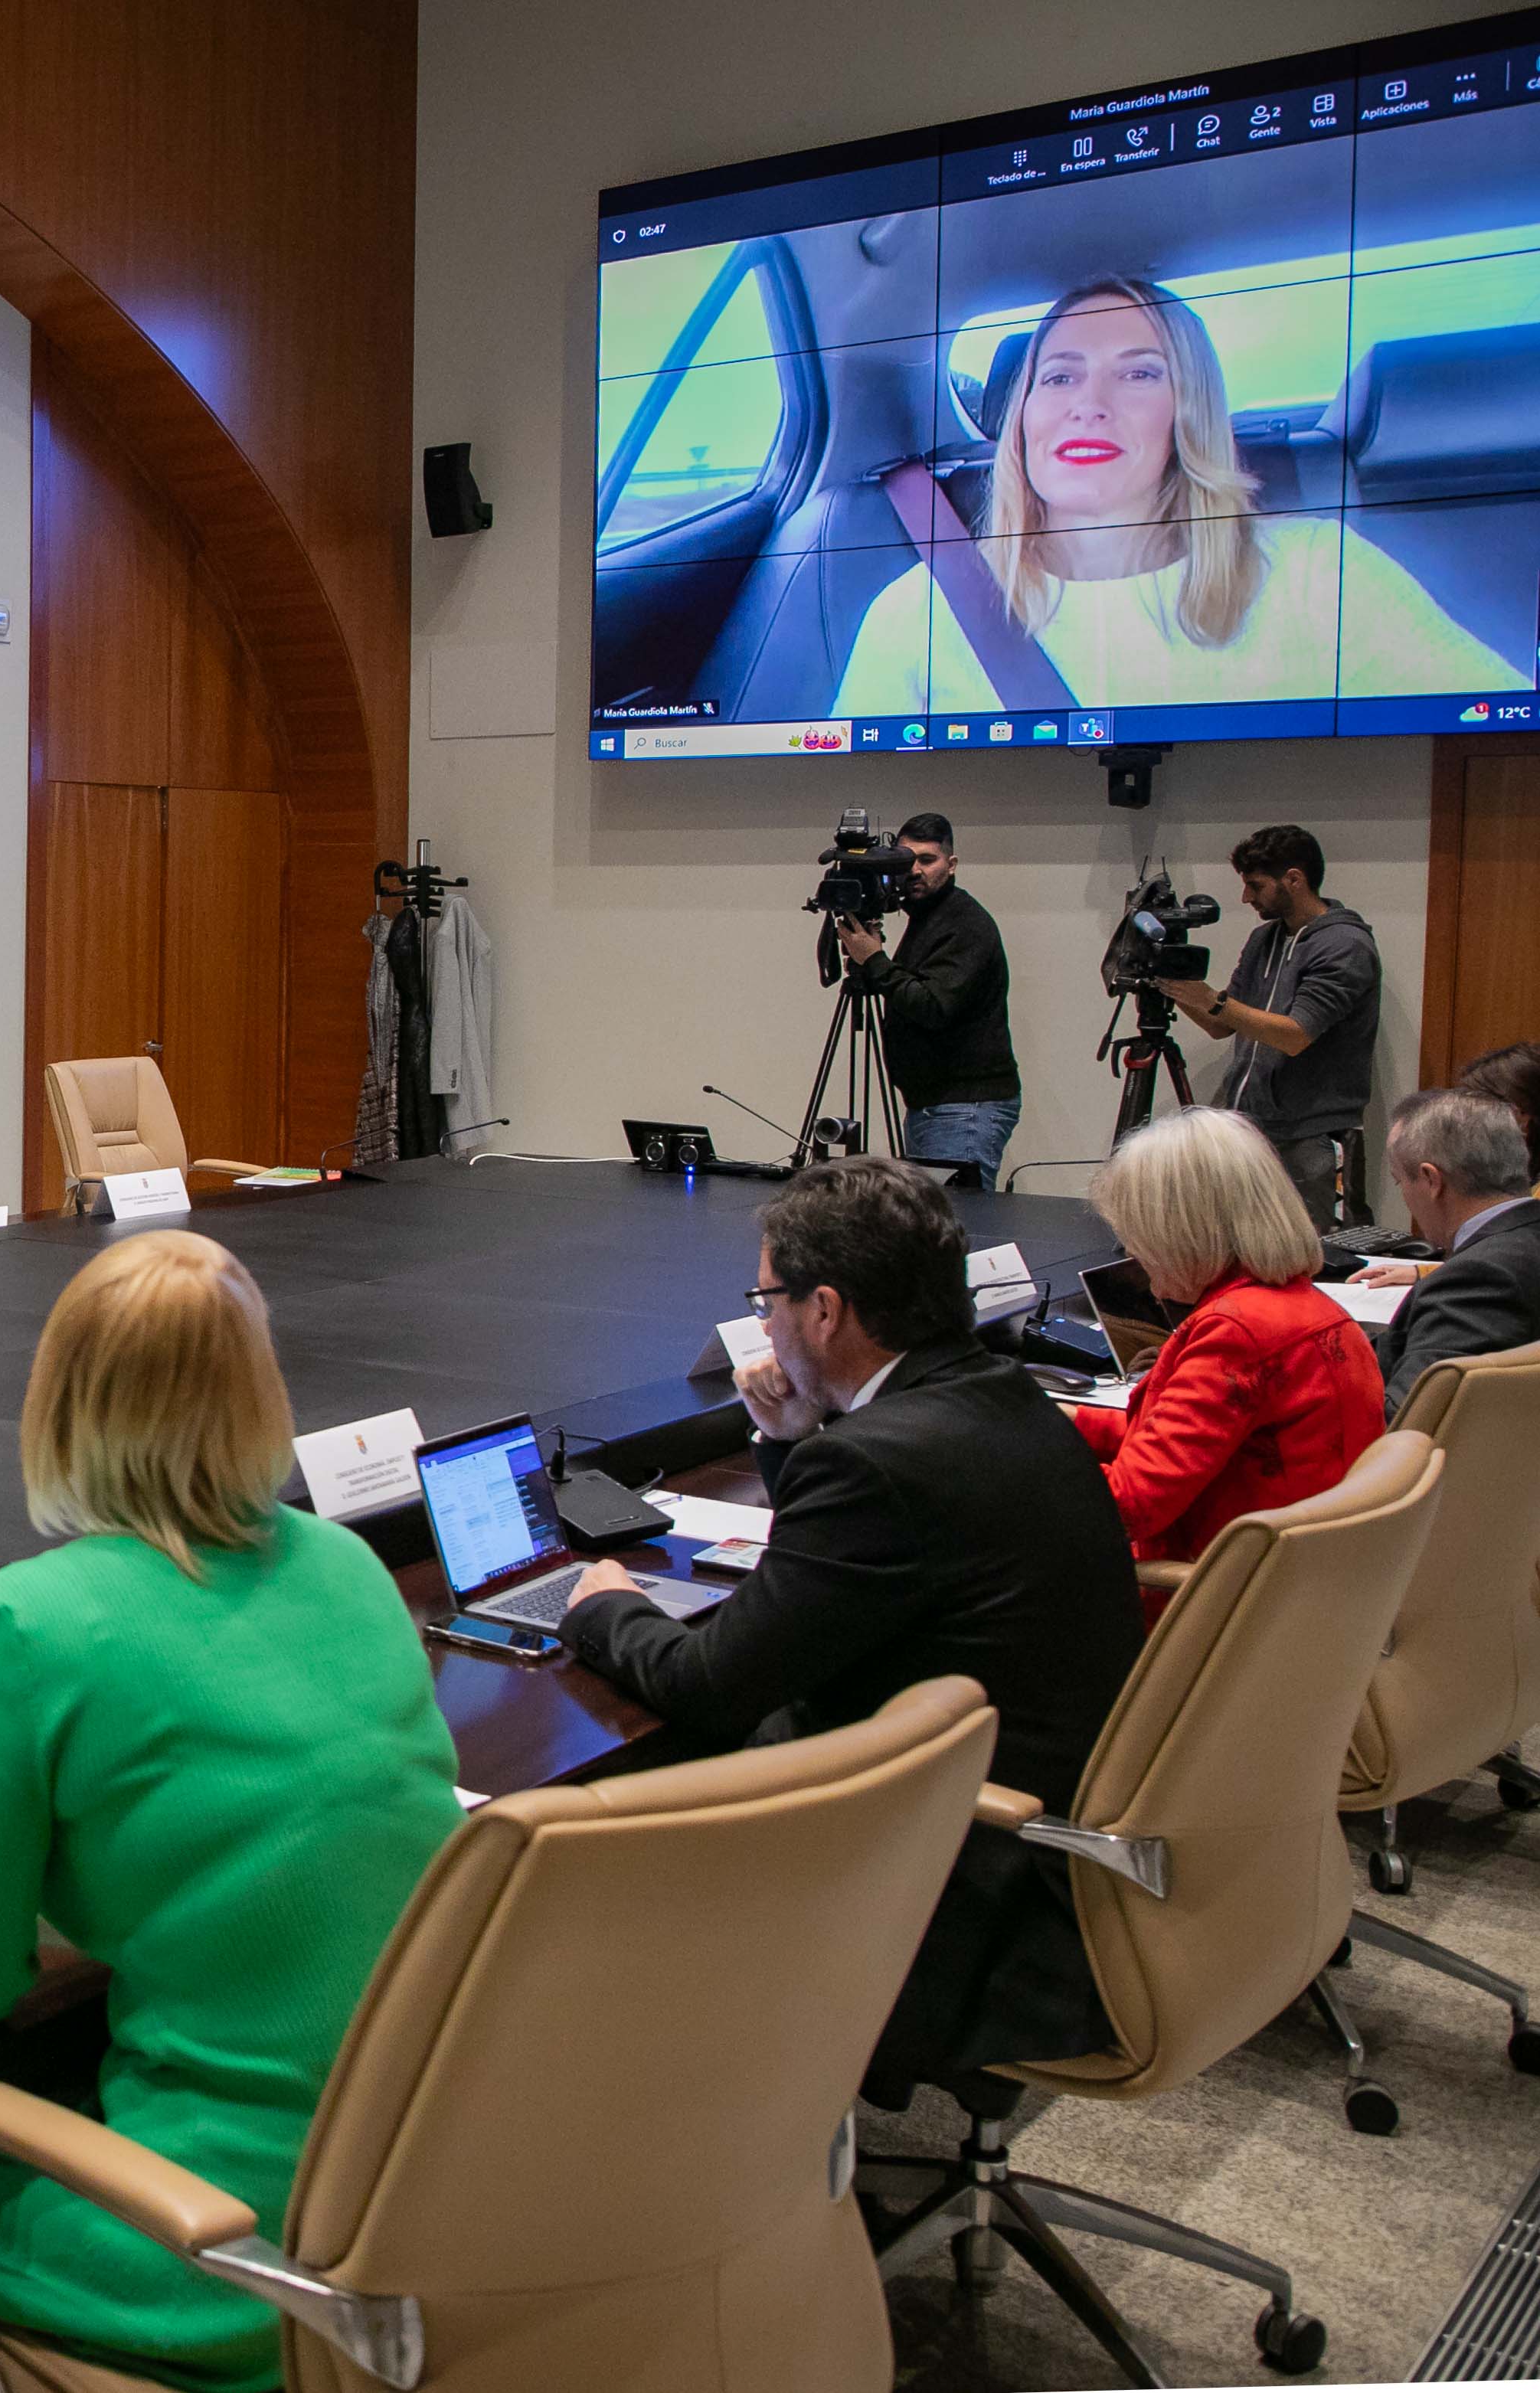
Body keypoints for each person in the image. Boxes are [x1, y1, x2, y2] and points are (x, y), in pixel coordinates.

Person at [0, 1232, 465, 2391]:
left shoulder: (18, 1625)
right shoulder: (350, 1568)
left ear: (58, 1398)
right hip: (430, 2214)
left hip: (230, 2257)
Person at [557, 1156, 1143, 2106]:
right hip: (1046, 1835)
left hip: (959, 1896)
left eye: (768, 1298)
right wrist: (791, 1438)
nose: (767, 1321)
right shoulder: (998, 1398)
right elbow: (870, 1574)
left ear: (823, 1310)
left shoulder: (878, 1466)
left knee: (590, 1853)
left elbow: (713, 1681)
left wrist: (602, 1608)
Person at [832, 276, 1525, 714]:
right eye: (1059, 378)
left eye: (1137, 375)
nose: (1089, 405)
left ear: (1186, 415)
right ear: (1021, 419)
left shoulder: (1320, 573)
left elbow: (1495, 746)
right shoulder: (916, 612)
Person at [1071, 1108, 1381, 1588]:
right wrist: (1061, 1425)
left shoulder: (1237, 1332)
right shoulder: (1308, 1308)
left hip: (1217, 1603)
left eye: (1136, 1236)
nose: (1132, 1254)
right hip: (1303, 1589)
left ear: (1181, 1233)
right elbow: (1182, 1438)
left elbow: (1130, 1506)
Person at [1155, 825, 1381, 1229]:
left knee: (1320, 1254)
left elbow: (1295, 1035)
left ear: (1294, 879)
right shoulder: (1264, 940)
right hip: (1249, 1127)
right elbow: (1219, 1026)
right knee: (1245, 1247)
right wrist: (1173, 988)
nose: (1246, 898)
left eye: (1255, 886)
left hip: (1313, 1137)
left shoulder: (1345, 945)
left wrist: (1213, 1000)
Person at [832, 812, 1018, 1182]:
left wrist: (874, 960)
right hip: (934, 1106)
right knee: (930, 1226)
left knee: (955, 1228)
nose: (914, 870)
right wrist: (873, 967)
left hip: (964, 1108)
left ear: (951, 865)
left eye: (927, 860)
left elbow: (933, 1006)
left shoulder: (964, 923)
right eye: (906, 859)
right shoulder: (928, 919)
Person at [1362, 1088, 1540, 1419]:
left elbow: (1408, 1419)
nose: (1405, 1196)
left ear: (1431, 1179)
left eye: (1400, 1182)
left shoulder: (1480, 1277)